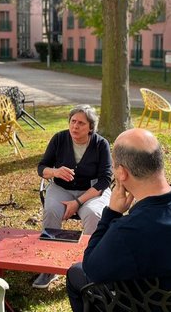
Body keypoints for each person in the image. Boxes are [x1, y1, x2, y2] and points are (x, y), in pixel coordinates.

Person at [66, 128, 171, 312]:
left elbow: (91, 269)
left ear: (122, 173)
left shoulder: (129, 230)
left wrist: (112, 213)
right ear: (158, 161)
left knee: (76, 272)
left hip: (145, 304)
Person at [33, 105, 113, 289]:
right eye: (73, 121)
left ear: (90, 128)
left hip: (91, 192)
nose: (75, 126)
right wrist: (55, 171)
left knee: (94, 215)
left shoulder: (101, 144)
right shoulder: (59, 139)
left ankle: (89, 268)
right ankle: (49, 268)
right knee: (52, 210)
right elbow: (41, 168)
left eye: (81, 123)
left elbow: (105, 180)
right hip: (61, 188)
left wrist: (77, 202)